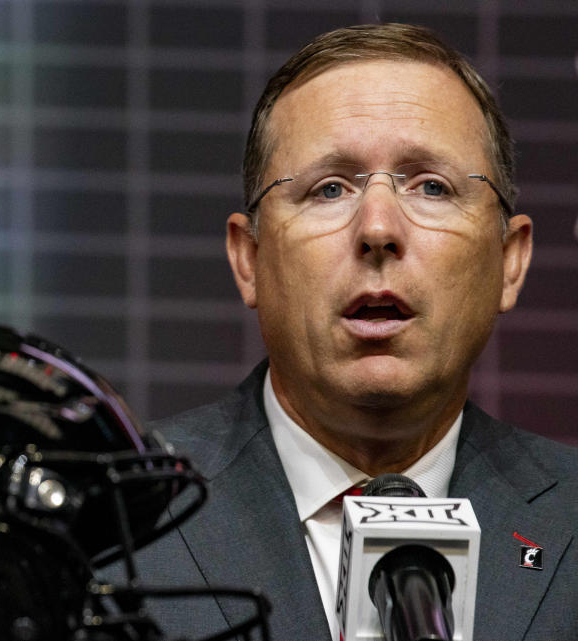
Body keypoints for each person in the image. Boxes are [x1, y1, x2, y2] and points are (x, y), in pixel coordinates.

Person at [130, 23, 578, 641]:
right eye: (329, 188)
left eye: (431, 186)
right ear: (248, 259)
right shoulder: (114, 522)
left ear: (510, 261)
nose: (377, 228)